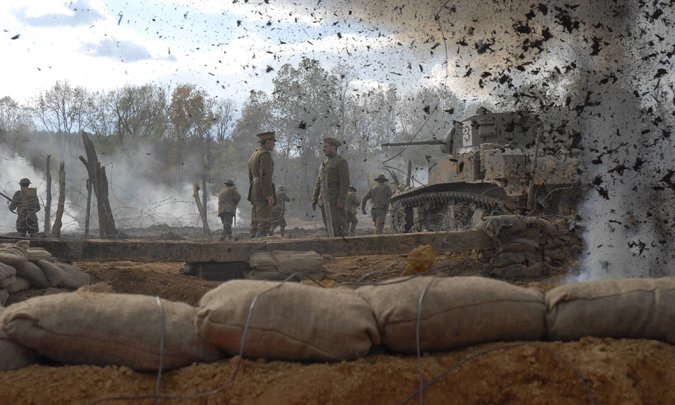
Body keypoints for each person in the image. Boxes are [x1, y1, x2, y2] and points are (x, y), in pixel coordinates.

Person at [312, 137, 350, 236]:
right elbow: (319, 182)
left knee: (340, 226)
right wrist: (314, 198)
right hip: (323, 201)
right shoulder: (323, 164)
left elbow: (345, 183)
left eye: (326, 146)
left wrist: (341, 199)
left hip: (334, 201)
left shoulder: (340, 162)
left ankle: (344, 248)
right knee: (329, 227)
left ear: (333, 147)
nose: (323, 149)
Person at [247, 131, 276, 238]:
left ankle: (251, 245)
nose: (274, 144)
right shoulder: (265, 155)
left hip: (254, 190)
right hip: (262, 192)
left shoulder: (254, 154)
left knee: (255, 222)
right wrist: (269, 195)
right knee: (264, 222)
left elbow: (250, 176)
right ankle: (260, 248)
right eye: (273, 141)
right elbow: (265, 176)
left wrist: (253, 190)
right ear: (267, 141)